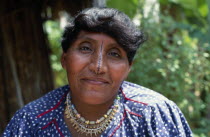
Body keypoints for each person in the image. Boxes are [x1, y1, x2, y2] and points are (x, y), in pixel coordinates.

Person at [3, 7, 192, 137]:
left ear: (128, 68)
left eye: (114, 54)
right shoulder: (31, 122)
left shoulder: (154, 114)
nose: (98, 66)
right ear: (64, 59)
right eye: (85, 48)